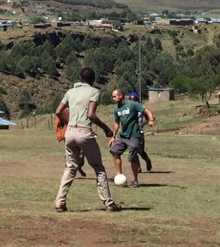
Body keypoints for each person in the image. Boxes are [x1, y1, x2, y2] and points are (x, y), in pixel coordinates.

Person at [54, 67, 121, 213]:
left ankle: (60, 202)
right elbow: (91, 115)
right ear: (93, 80)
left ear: (79, 78)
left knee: (70, 168)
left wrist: (68, 122)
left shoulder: (70, 92)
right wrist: (106, 129)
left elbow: (58, 111)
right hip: (84, 132)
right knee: (98, 167)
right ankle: (109, 203)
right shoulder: (94, 92)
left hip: (70, 132)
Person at [109, 89, 156, 187]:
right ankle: (119, 175)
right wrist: (113, 136)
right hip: (123, 136)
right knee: (114, 151)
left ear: (121, 96)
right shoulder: (117, 109)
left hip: (134, 136)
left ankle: (135, 180)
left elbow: (146, 111)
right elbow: (116, 122)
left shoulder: (132, 104)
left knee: (132, 158)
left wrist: (151, 119)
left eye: (114, 96)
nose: (113, 99)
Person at [128, 92, 152, 172]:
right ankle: (138, 167)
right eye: (130, 100)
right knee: (133, 150)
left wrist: (143, 124)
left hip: (139, 132)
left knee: (140, 151)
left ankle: (147, 160)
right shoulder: (127, 108)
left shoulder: (141, 108)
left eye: (134, 100)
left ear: (137, 100)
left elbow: (148, 118)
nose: (132, 101)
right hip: (130, 132)